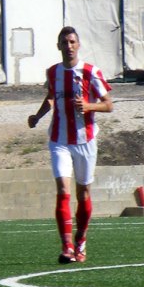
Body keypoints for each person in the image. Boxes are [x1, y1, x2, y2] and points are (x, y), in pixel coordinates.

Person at [27, 26, 114, 264]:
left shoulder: (90, 72)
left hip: (85, 140)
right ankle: (66, 247)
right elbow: (51, 97)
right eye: (64, 42)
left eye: (72, 42)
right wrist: (37, 116)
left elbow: (109, 104)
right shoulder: (53, 72)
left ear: (78, 44)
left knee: (83, 192)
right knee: (63, 190)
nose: (69, 46)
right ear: (58, 46)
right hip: (59, 140)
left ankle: (80, 240)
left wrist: (89, 106)